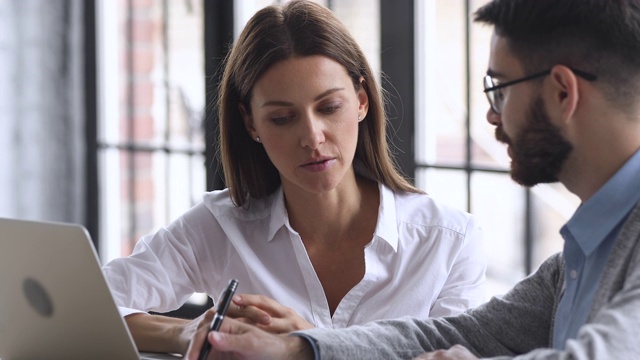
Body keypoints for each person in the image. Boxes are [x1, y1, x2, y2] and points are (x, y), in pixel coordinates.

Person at [186, 0, 640, 359]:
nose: (491, 113)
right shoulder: (580, 254)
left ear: (563, 92)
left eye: (500, 88)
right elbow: (458, 333)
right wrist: (297, 348)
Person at [101, 0, 487, 356]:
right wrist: (186, 333)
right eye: (282, 118)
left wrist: (311, 347)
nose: (312, 137)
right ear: (251, 123)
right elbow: (87, 305)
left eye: (329, 107)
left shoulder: (448, 243)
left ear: (362, 101)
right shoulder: (220, 227)